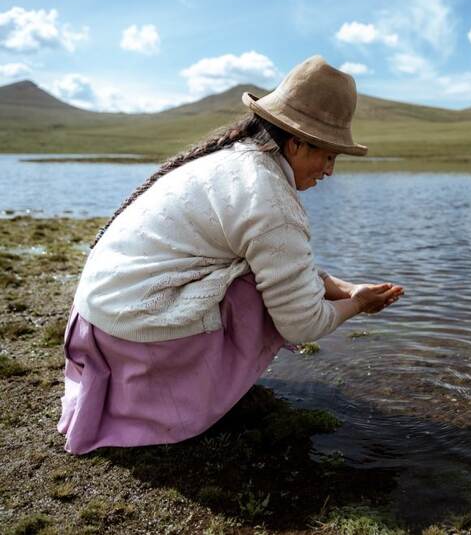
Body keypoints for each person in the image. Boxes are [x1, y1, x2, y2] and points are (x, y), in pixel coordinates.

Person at [58, 55, 404, 454]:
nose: (329, 171)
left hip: (97, 318)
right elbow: (302, 325)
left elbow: (284, 264)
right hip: (130, 333)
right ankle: (178, 402)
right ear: (295, 142)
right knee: (251, 290)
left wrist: (344, 288)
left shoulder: (234, 160)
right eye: (326, 155)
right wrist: (356, 306)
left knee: (258, 270)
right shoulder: (271, 200)